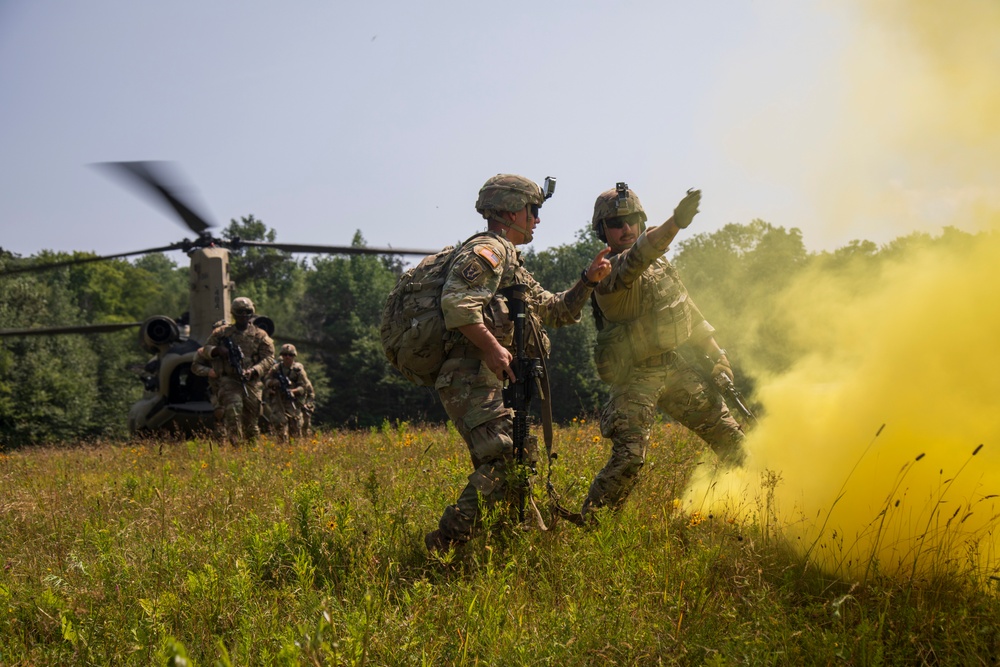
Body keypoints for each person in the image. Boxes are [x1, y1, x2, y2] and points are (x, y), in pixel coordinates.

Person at [424, 173, 613, 554]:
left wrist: (587, 281)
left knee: (514, 466)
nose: (537, 219)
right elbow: (457, 305)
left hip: (491, 377)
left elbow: (556, 310)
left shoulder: (513, 263)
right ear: (511, 210)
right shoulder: (488, 250)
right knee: (509, 456)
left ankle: (506, 547)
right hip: (471, 374)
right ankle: (445, 542)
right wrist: (495, 349)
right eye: (533, 210)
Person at [580, 184, 748, 520]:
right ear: (604, 232)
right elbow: (640, 255)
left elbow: (687, 311)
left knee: (734, 441)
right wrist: (676, 222)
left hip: (673, 367)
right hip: (634, 377)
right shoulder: (609, 275)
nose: (625, 227)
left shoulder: (660, 265)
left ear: (641, 221)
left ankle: (751, 507)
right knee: (629, 458)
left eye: (631, 220)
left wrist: (718, 355)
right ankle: (592, 523)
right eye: (615, 223)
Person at [200, 297, 275, 445]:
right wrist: (217, 350)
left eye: (247, 312)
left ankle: (252, 453)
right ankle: (236, 450)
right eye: (240, 312)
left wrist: (254, 370)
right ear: (234, 313)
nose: (244, 315)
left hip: (252, 382)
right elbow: (205, 349)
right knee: (233, 414)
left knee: (251, 422)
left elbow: (269, 358)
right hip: (230, 381)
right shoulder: (221, 333)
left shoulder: (260, 335)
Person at [265, 343, 313, 442]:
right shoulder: (276, 369)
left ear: (294, 356)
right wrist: (275, 382)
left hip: (294, 401)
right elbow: (266, 381)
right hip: (279, 400)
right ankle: (281, 447)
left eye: (290, 355)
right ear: (281, 356)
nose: (287, 357)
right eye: (285, 354)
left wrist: (293, 391)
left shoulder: (298, 370)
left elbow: (304, 387)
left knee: (296, 428)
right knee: (279, 424)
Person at [192, 318, 229, 439]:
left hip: (237, 387)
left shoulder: (239, 349)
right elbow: (195, 367)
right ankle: (223, 444)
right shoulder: (205, 352)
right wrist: (208, 371)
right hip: (218, 389)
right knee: (220, 414)